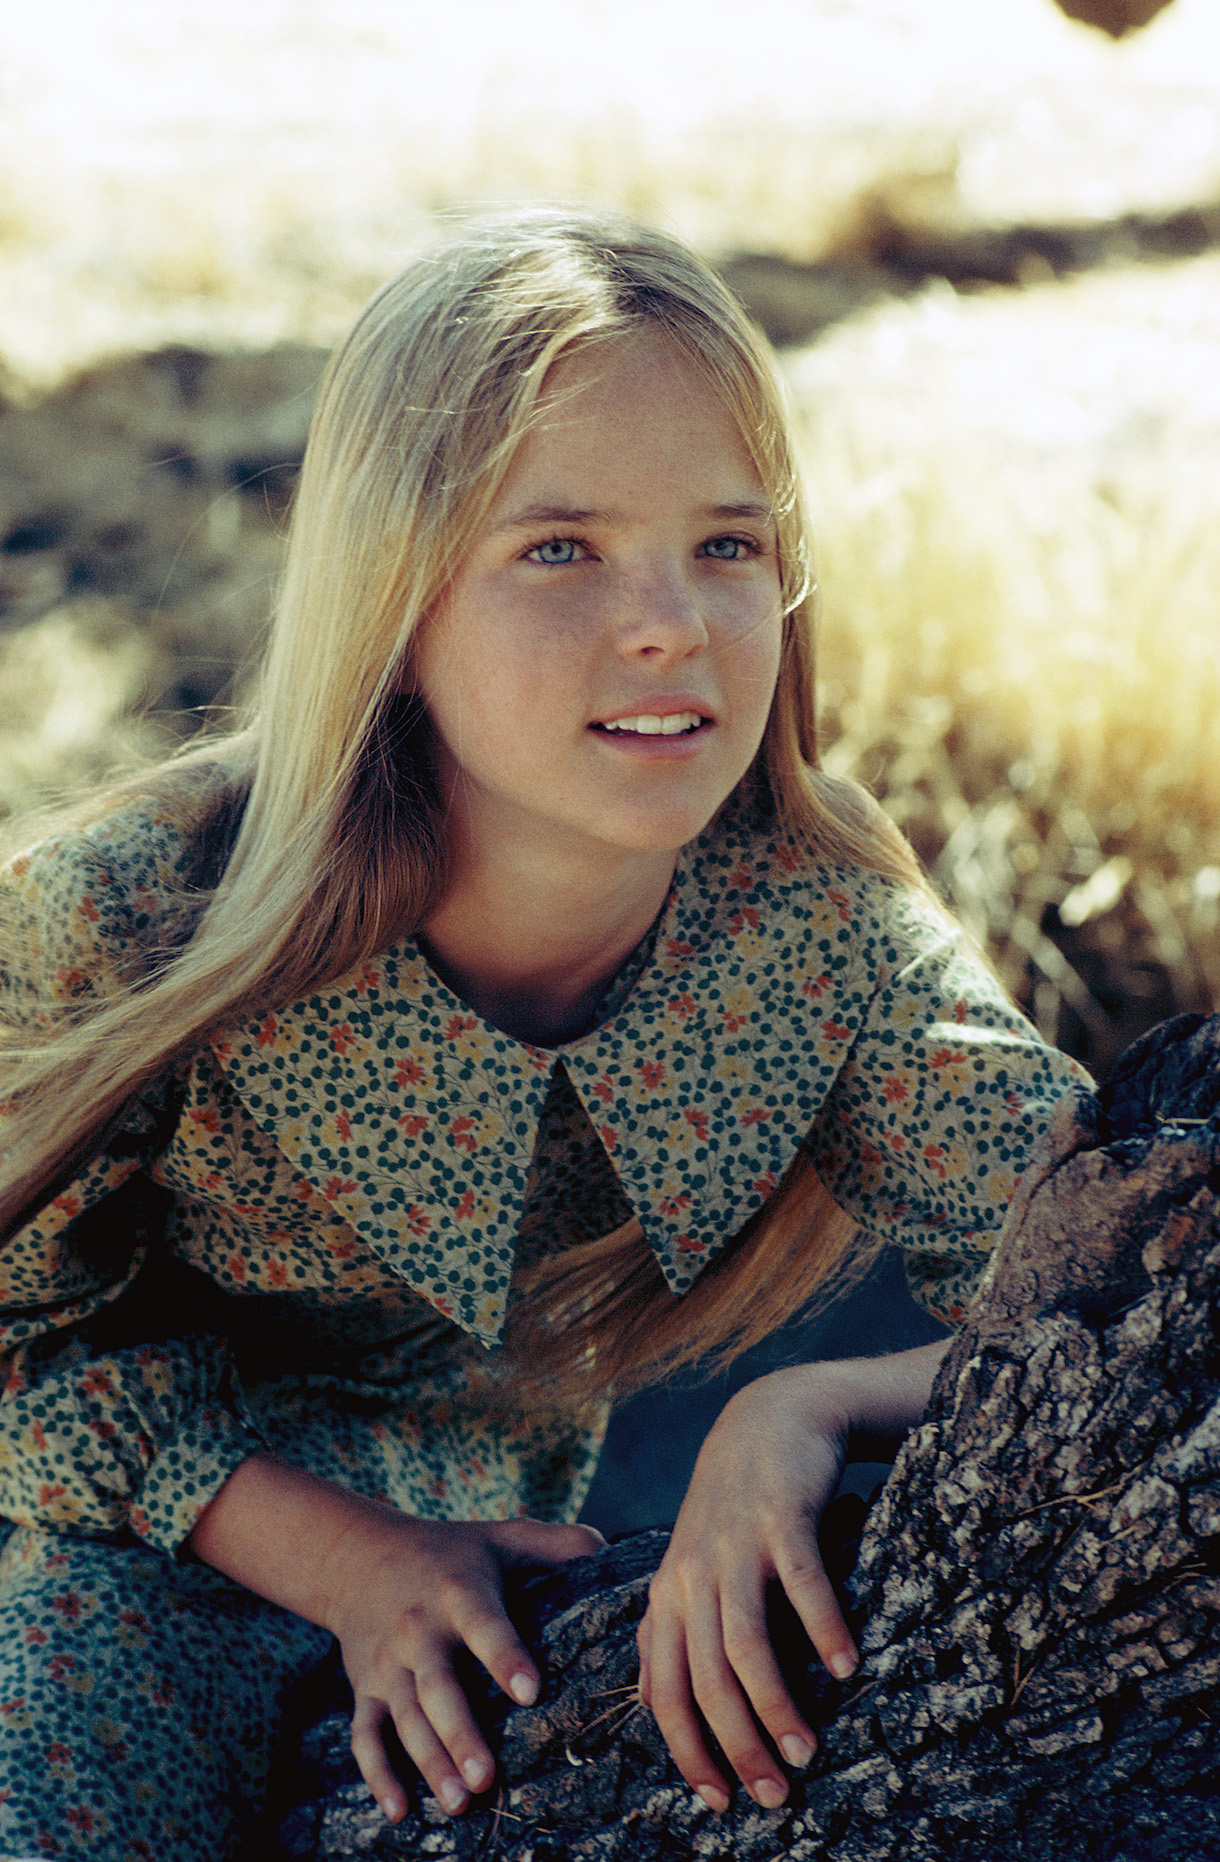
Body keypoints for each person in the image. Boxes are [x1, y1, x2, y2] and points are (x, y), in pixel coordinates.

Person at [0, 209, 1089, 1860]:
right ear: (398, 592)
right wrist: (342, 1558)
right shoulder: (137, 908)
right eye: (559, 547)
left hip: (514, 1601)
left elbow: (1123, 1282)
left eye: (728, 544)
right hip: (82, 1578)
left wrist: (805, 1406)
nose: (671, 624)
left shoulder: (816, 930)